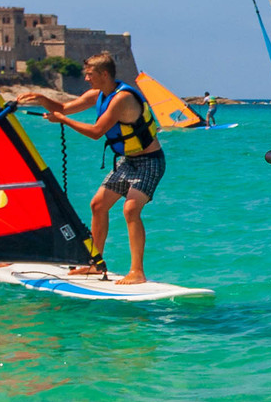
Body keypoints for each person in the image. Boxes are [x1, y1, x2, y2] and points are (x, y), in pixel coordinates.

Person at [14, 53, 164, 283]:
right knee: (97, 205)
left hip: (149, 161)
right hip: (127, 161)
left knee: (130, 210)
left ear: (104, 74)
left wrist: (63, 121)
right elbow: (63, 107)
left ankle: (137, 272)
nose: (85, 78)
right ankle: (95, 263)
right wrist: (41, 98)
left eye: (89, 74)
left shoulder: (121, 99)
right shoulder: (98, 95)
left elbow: (96, 132)